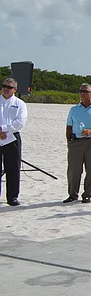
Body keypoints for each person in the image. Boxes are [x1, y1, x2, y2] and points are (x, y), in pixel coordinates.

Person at [0, 78, 27, 206]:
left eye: (9, 87)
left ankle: (12, 196)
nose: (6, 89)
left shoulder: (20, 104)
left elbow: (19, 122)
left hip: (12, 138)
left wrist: (3, 129)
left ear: (14, 90)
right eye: (4, 86)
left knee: (13, 168)